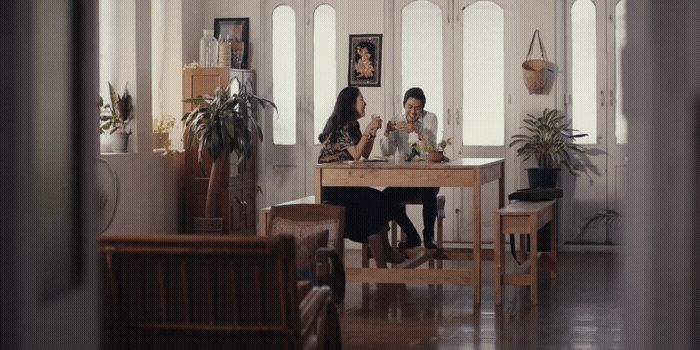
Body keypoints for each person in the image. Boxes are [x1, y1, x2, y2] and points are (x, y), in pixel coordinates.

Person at [318, 86, 405, 267]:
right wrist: (368, 129)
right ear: (351, 104)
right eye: (361, 100)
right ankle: (384, 260)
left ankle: (385, 257)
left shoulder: (352, 125)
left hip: (344, 184)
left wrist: (371, 133)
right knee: (376, 202)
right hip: (333, 187)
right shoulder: (342, 127)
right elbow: (356, 154)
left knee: (377, 202)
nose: (365, 103)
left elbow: (364, 152)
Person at [379, 87, 440, 249]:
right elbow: (387, 152)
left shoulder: (431, 119)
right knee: (385, 198)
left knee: (427, 192)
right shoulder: (397, 120)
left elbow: (432, 148)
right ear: (404, 105)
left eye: (417, 108)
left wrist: (415, 131)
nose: (413, 112)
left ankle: (429, 236)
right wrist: (387, 134)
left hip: (428, 179)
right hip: (406, 180)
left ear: (423, 108)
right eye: (409, 107)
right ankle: (412, 235)